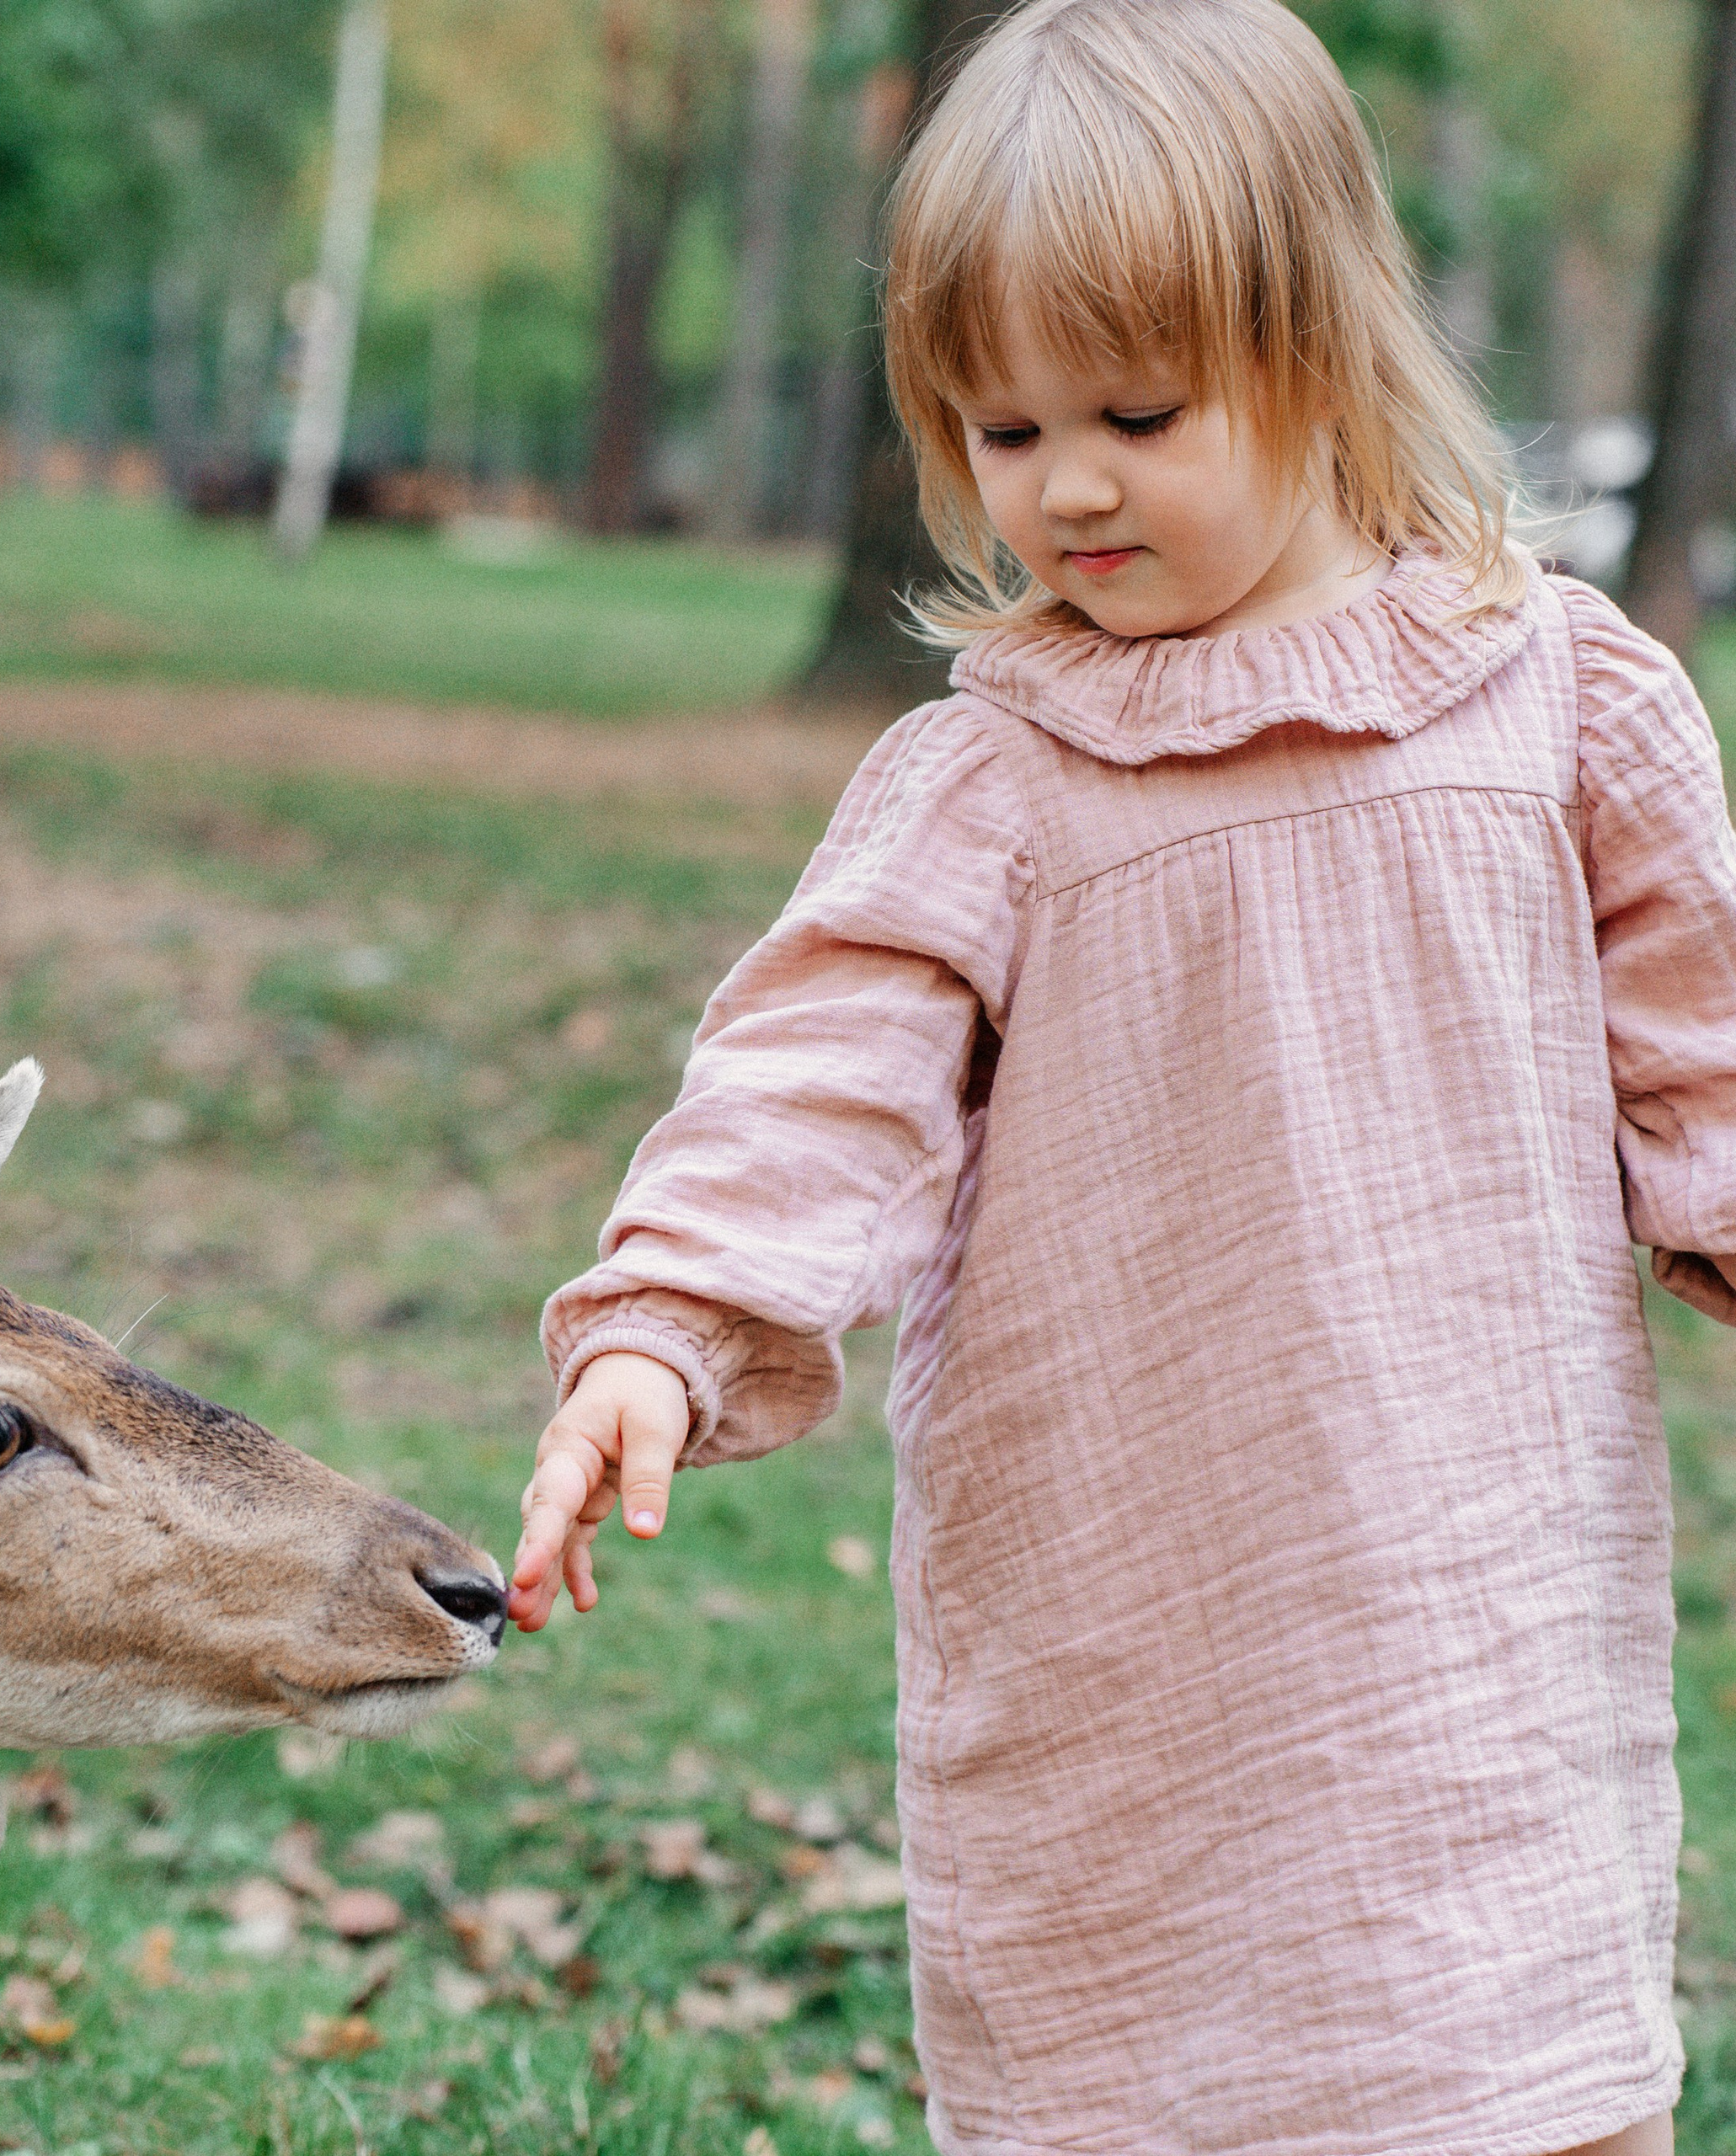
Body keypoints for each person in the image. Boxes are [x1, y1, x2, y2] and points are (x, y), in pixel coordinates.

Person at [510, 0, 1727, 2148]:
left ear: (1324, 347)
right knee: (1152, 2075)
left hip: (1474, 1595)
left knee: (1530, 2066)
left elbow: (1703, 1048)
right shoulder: (993, 775)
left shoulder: (1552, 699)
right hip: (1137, 1625)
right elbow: (819, 1067)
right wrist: (667, 1324)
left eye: (1136, 412)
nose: (1063, 484)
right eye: (998, 430)